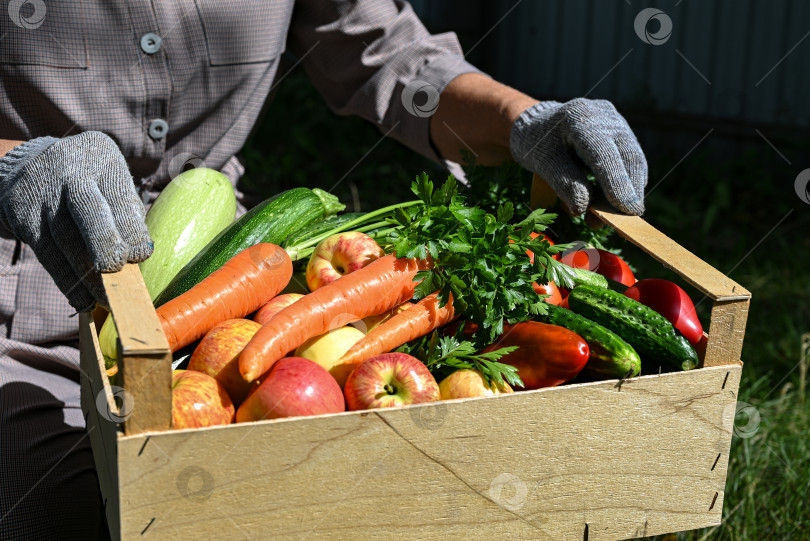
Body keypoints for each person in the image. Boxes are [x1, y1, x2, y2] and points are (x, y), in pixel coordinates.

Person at [0, 1, 647, 538]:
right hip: (25, 284)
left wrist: (517, 120)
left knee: (302, 505)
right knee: (67, 516)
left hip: (227, 280)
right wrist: (13, 164)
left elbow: (382, 49)